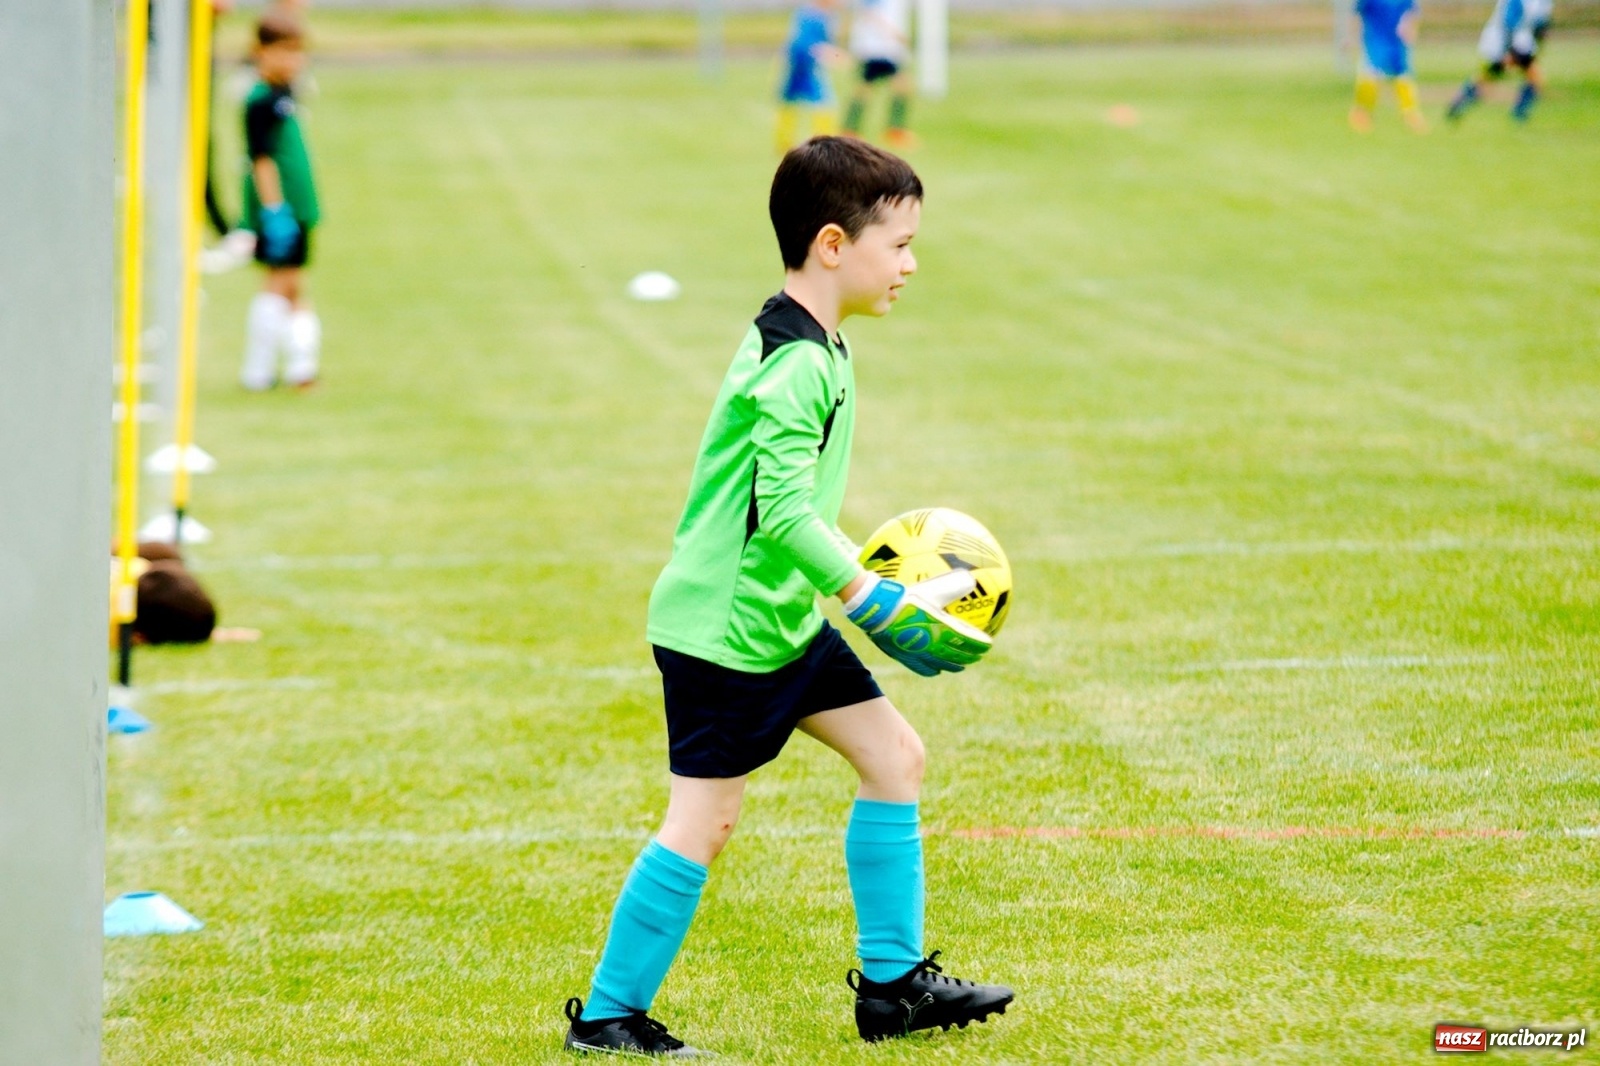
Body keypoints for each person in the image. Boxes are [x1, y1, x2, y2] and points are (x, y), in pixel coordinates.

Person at [561, 137, 1012, 1058]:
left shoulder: (818, 341)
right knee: (705, 822)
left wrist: (875, 584)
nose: (911, 265)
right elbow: (781, 515)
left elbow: (798, 513)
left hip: (781, 619)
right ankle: (607, 1018)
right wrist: (868, 596)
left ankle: (892, 990)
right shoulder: (796, 362)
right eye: (900, 245)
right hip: (723, 632)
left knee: (896, 756)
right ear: (833, 245)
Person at [239, 9, 322, 391]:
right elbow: (262, 160)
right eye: (284, 52)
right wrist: (274, 210)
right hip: (282, 210)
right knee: (280, 285)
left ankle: (297, 366)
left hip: (300, 207)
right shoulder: (259, 101)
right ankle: (264, 369)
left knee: (292, 286)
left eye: (298, 52)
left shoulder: (284, 93)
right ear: (261, 51)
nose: (293, 61)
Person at [1446, 0, 1553, 123]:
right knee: (1534, 77)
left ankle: (1459, 104)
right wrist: (1508, 51)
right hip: (1506, 43)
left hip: (1518, 42)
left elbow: (1540, 24)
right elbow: (1509, 20)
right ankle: (1519, 115)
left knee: (1490, 78)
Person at [842, 0, 917, 148]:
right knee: (863, 91)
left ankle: (895, 131)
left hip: (891, 50)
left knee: (902, 87)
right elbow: (868, 13)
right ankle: (850, 130)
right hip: (873, 49)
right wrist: (893, 32)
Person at [776, 0, 845, 154]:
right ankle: (825, 146)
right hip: (806, 64)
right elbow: (806, 43)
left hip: (799, 62)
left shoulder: (815, 14)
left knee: (790, 100)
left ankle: (785, 142)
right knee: (824, 103)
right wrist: (830, 55)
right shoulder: (813, 16)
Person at [1348, 0, 1426, 133]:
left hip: (1397, 42)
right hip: (1375, 40)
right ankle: (1362, 112)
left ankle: (1410, 113)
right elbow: (1357, 14)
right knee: (1371, 74)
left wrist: (1411, 28)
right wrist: (1352, 38)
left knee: (1403, 75)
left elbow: (1412, 12)